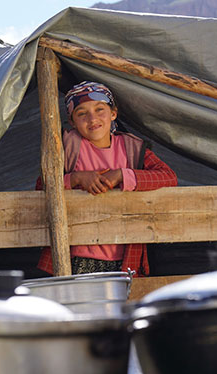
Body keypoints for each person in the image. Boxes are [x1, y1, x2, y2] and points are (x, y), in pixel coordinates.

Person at [38, 81, 177, 276]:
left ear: (113, 114)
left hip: (125, 256)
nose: (92, 118)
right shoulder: (66, 147)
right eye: (81, 113)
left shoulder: (132, 148)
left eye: (99, 109)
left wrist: (122, 174)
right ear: (72, 122)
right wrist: (76, 178)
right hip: (75, 255)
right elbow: (42, 186)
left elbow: (168, 176)